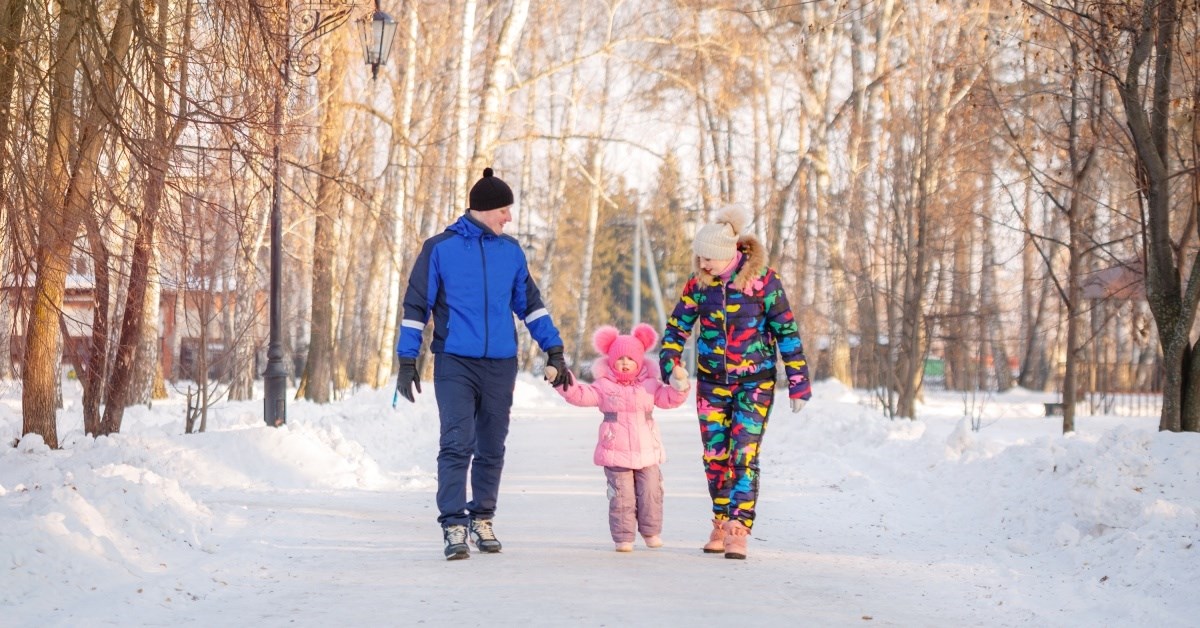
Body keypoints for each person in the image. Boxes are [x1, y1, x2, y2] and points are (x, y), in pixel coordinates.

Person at [395, 167, 573, 561]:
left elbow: (530, 305)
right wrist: (407, 358)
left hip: (500, 364)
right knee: (458, 442)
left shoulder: (510, 251)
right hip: (455, 361)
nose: (508, 218)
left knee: (492, 445)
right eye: (504, 210)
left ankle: (483, 517)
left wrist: (554, 350)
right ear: (485, 209)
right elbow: (415, 306)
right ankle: (454, 524)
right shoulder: (439, 248)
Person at [658, 207, 812, 560]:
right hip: (712, 383)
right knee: (715, 456)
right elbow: (676, 327)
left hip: (754, 384)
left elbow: (785, 331)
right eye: (699, 257)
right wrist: (671, 364)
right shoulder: (699, 284)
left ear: (728, 254)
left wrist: (799, 381)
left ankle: (738, 529)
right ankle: (720, 519)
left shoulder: (763, 282)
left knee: (743, 454)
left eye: (708, 257)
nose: (703, 263)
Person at [544, 323, 690, 552]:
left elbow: (669, 398)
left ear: (640, 360)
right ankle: (624, 537)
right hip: (616, 451)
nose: (625, 362)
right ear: (611, 360)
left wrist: (679, 385)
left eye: (630, 358)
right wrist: (562, 381)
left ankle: (651, 532)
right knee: (623, 498)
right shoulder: (604, 386)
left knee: (651, 493)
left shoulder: (651, 385)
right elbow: (581, 395)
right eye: (619, 358)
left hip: (647, 451)